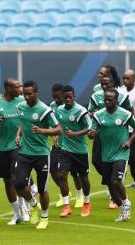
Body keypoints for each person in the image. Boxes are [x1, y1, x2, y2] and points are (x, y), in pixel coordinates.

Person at [15, 81, 61, 230]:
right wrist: (18, 135)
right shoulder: (20, 107)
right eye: (24, 94)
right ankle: (34, 205)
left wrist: (43, 131)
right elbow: (23, 122)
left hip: (41, 154)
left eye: (29, 94)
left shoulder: (45, 110)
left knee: (42, 189)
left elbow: (58, 129)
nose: (26, 97)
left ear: (36, 93)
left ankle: (45, 217)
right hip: (25, 152)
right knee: (19, 184)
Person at [88, 89, 135, 222]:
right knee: (110, 186)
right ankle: (122, 209)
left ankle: (126, 202)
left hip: (121, 152)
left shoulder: (125, 114)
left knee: (116, 181)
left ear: (116, 101)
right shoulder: (99, 115)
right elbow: (92, 130)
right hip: (106, 154)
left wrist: (129, 141)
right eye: (105, 99)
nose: (106, 101)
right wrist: (91, 134)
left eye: (109, 100)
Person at [0, 78, 29, 225]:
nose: (21, 89)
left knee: (16, 178)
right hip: (3, 148)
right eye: (17, 87)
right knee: (7, 181)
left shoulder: (23, 101)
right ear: (8, 89)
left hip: (20, 146)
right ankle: (16, 214)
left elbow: (28, 119)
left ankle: (26, 206)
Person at [88, 68, 132, 209]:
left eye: (107, 84)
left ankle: (115, 193)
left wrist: (127, 134)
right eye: (102, 85)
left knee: (114, 174)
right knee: (95, 161)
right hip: (101, 135)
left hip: (117, 135)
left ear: (113, 82)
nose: (104, 87)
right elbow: (90, 112)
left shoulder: (122, 97)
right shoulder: (96, 96)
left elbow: (130, 113)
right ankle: (111, 180)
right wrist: (92, 114)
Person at [55, 85, 92, 217]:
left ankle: (87, 203)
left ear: (74, 96)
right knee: (62, 175)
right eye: (65, 97)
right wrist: (57, 136)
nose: (68, 99)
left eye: (70, 97)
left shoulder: (81, 111)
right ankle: (66, 206)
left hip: (80, 151)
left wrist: (75, 133)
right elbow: (59, 125)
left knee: (83, 177)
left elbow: (90, 127)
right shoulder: (59, 110)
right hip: (66, 149)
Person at [51, 83, 84, 209]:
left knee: (75, 172)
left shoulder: (74, 109)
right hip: (58, 144)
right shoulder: (53, 106)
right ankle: (65, 193)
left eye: (58, 97)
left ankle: (80, 195)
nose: (56, 100)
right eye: (54, 97)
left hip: (71, 144)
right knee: (53, 169)